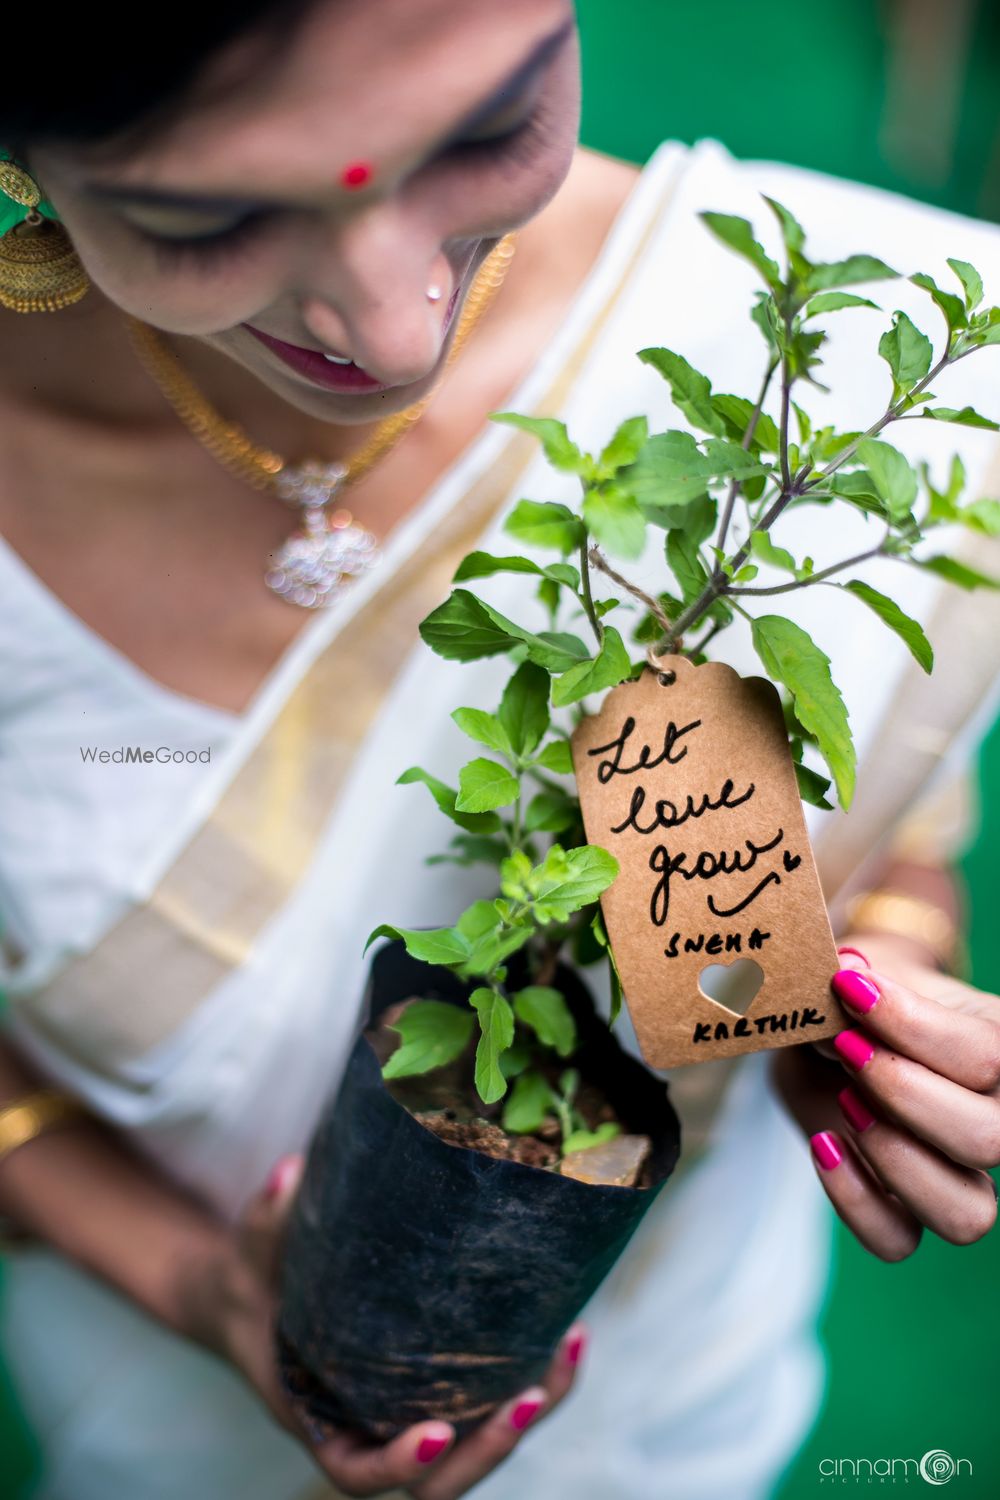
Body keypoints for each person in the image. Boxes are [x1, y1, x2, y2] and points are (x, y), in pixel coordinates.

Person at [1, 5, 999, 1499]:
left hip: (677, 1409)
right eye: (205, 216)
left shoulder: (817, 366)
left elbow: (892, 822)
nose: (392, 331)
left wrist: (868, 984)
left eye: (486, 128)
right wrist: (197, 1283)